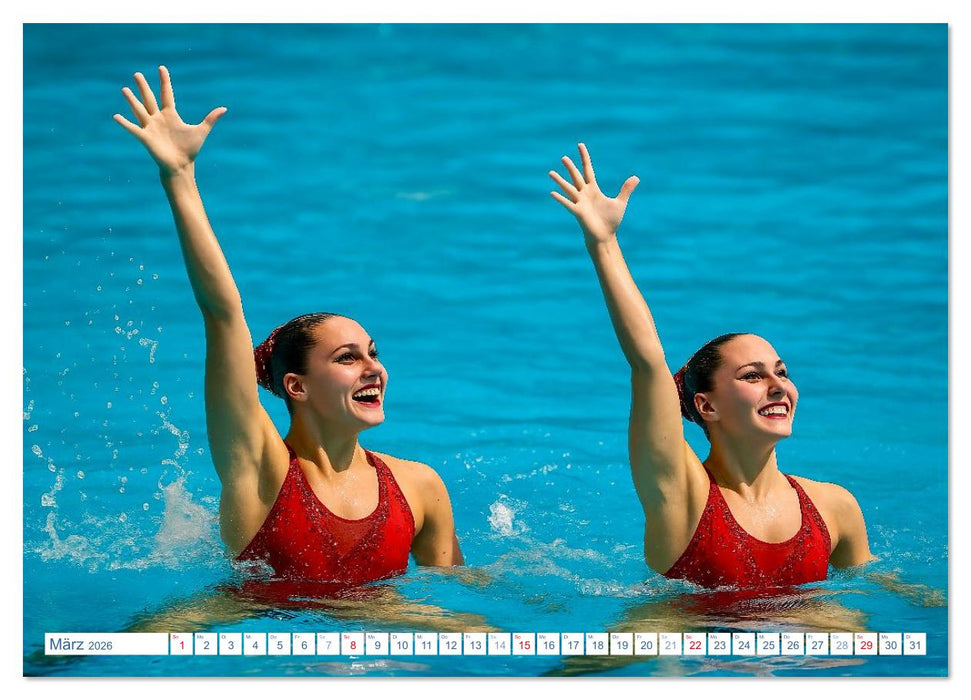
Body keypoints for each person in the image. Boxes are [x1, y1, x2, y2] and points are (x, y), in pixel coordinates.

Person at [114, 66, 463, 589]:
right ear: (295, 386)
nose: (375, 369)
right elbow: (223, 313)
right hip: (248, 617)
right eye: (347, 358)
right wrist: (179, 177)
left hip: (384, 623)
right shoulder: (261, 468)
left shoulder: (419, 486)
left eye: (372, 352)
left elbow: (458, 593)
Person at [548, 143, 873, 590]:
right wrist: (603, 243)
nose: (778, 386)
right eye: (753, 376)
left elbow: (872, 594)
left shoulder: (835, 507)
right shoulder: (683, 494)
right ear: (707, 406)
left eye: (782, 371)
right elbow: (648, 362)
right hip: (687, 644)